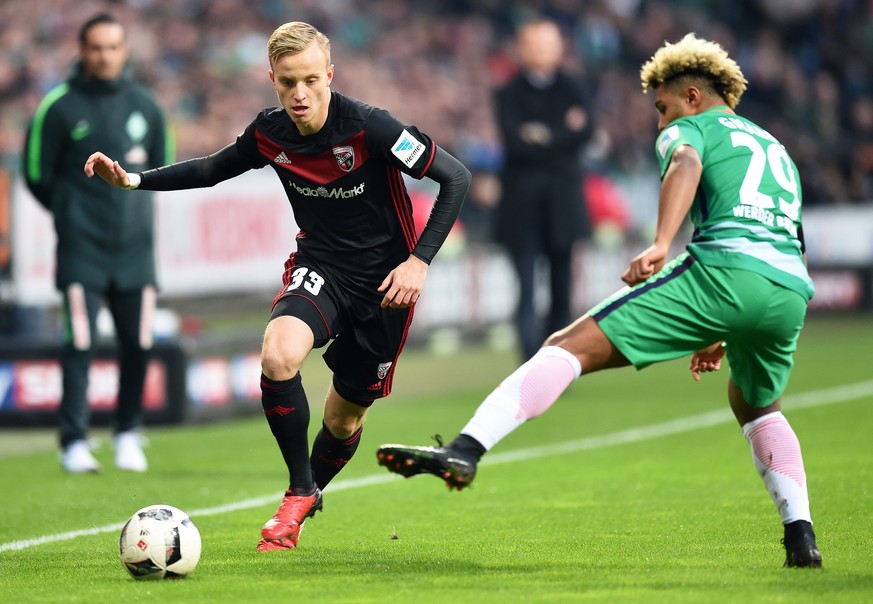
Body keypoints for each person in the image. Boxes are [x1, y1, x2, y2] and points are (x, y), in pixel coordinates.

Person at [377, 33, 822, 569]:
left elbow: (684, 162)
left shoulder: (689, 128)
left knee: (568, 346)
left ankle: (465, 450)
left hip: (725, 270)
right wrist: (729, 327)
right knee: (755, 404)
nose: (660, 122)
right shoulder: (776, 148)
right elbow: (786, 240)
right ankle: (801, 538)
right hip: (788, 289)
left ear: (692, 96)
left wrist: (661, 242)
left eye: (662, 108)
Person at [85, 21, 470, 551]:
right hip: (321, 268)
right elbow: (211, 169)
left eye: (311, 80)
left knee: (343, 416)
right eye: (288, 82)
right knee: (278, 355)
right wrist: (133, 179)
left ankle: (307, 496)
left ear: (330, 74)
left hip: (386, 286)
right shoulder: (271, 133)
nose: (300, 94)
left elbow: (456, 178)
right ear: (272, 78)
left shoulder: (372, 127)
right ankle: (299, 491)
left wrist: (419, 262)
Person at [23, 13, 172, 474]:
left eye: (113, 46)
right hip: (81, 249)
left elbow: (158, 174)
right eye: (96, 47)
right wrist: (73, 214)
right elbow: (35, 174)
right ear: (82, 51)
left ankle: (127, 432)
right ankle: (74, 442)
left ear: (124, 50)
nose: (105, 55)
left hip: (135, 249)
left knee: (139, 343)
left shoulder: (146, 107)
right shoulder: (59, 107)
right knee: (80, 343)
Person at [492, 18, 594, 361]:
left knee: (562, 289)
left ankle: (558, 361)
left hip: (563, 206)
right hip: (521, 208)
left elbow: (587, 132)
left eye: (547, 45)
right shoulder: (508, 92)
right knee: (525, 290)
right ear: (521, 50)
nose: (540, 52)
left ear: (559, 49)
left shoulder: (575, 87)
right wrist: (562, 133)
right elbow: (515, 142)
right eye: (533, 45)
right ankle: (528, 364)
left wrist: (541, 135)